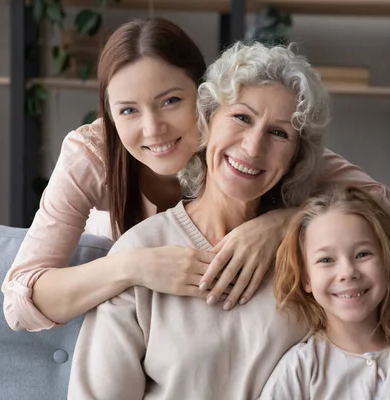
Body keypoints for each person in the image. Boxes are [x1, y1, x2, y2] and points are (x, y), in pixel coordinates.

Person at [1, 17, 390, 333]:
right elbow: (20, 302)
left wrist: (282, 223)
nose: (153, 128)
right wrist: (132, 266)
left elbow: (384, 208)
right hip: (133, 322)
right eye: (128, 110)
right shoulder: (92, 154)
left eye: (171, 101)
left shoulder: (250, 142)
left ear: (208, 97)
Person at [69, 40, 341, 399]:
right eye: (241, 117)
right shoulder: (141, 250)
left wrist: (290, 221)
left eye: (279, 133)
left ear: (295, 158)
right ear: (206, 122)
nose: (253, 147)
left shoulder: (317, 252)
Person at [259, 186, 390, 399]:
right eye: (326, 260)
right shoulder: (300, 368)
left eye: (363, 254)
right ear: (306, 279)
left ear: (387, 263)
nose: (347, 272)